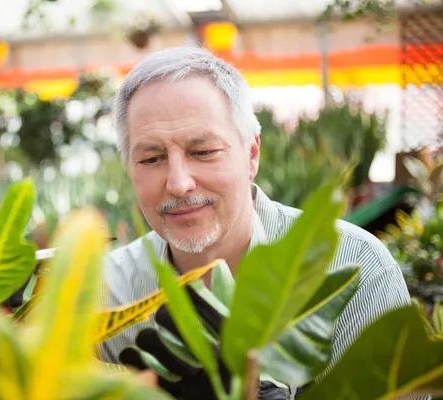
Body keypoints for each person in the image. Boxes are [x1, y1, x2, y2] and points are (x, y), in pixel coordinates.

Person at [97, 44, 417, 399]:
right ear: (129, 169)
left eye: (203, 152)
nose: (178, 183)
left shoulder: (354, 268)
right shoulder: (106, 292)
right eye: (152, 158)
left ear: (251, 156)